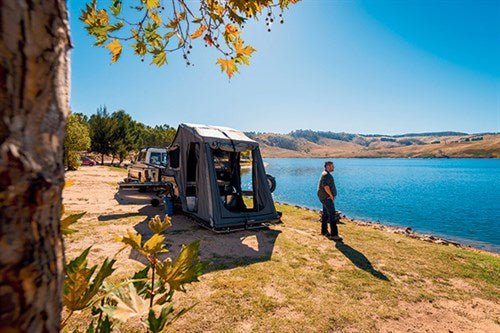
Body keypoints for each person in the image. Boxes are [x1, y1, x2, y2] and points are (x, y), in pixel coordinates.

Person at [317, 161, 342, 241]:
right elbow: (326, 186)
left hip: (324, 197)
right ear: (327, 166)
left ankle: (324, 231)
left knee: (325, 214)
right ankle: (334, 235)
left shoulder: (325, 174)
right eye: (332, 166)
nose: (333, 167)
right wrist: (331, 195)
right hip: (326, 198)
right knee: (332, 215)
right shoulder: (326, 175)